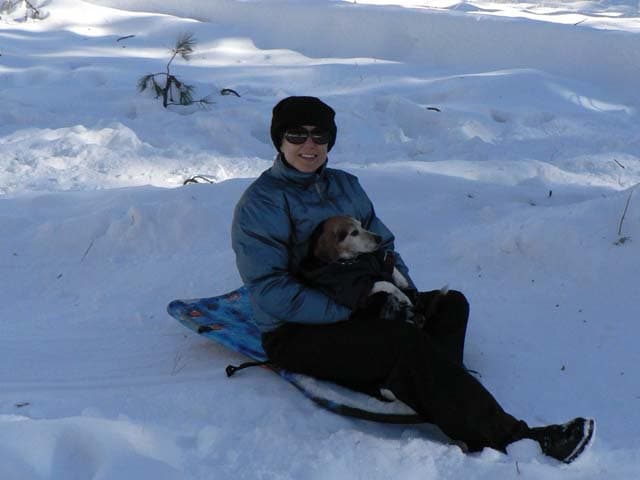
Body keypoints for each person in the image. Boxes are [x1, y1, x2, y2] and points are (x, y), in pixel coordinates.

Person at [231, 96, 594, 463]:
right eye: (297, 134)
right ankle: (516, 438)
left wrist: (409, 299)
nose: (309, 145)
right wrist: (355, 313)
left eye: (319, 134)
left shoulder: (346, 186)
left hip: (362, 300)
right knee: (402, 342)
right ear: (279, 139)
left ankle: (427, 387)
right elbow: (269, 292)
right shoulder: (261, 205)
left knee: (450, 306)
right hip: (297, 330)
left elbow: (383, 245)